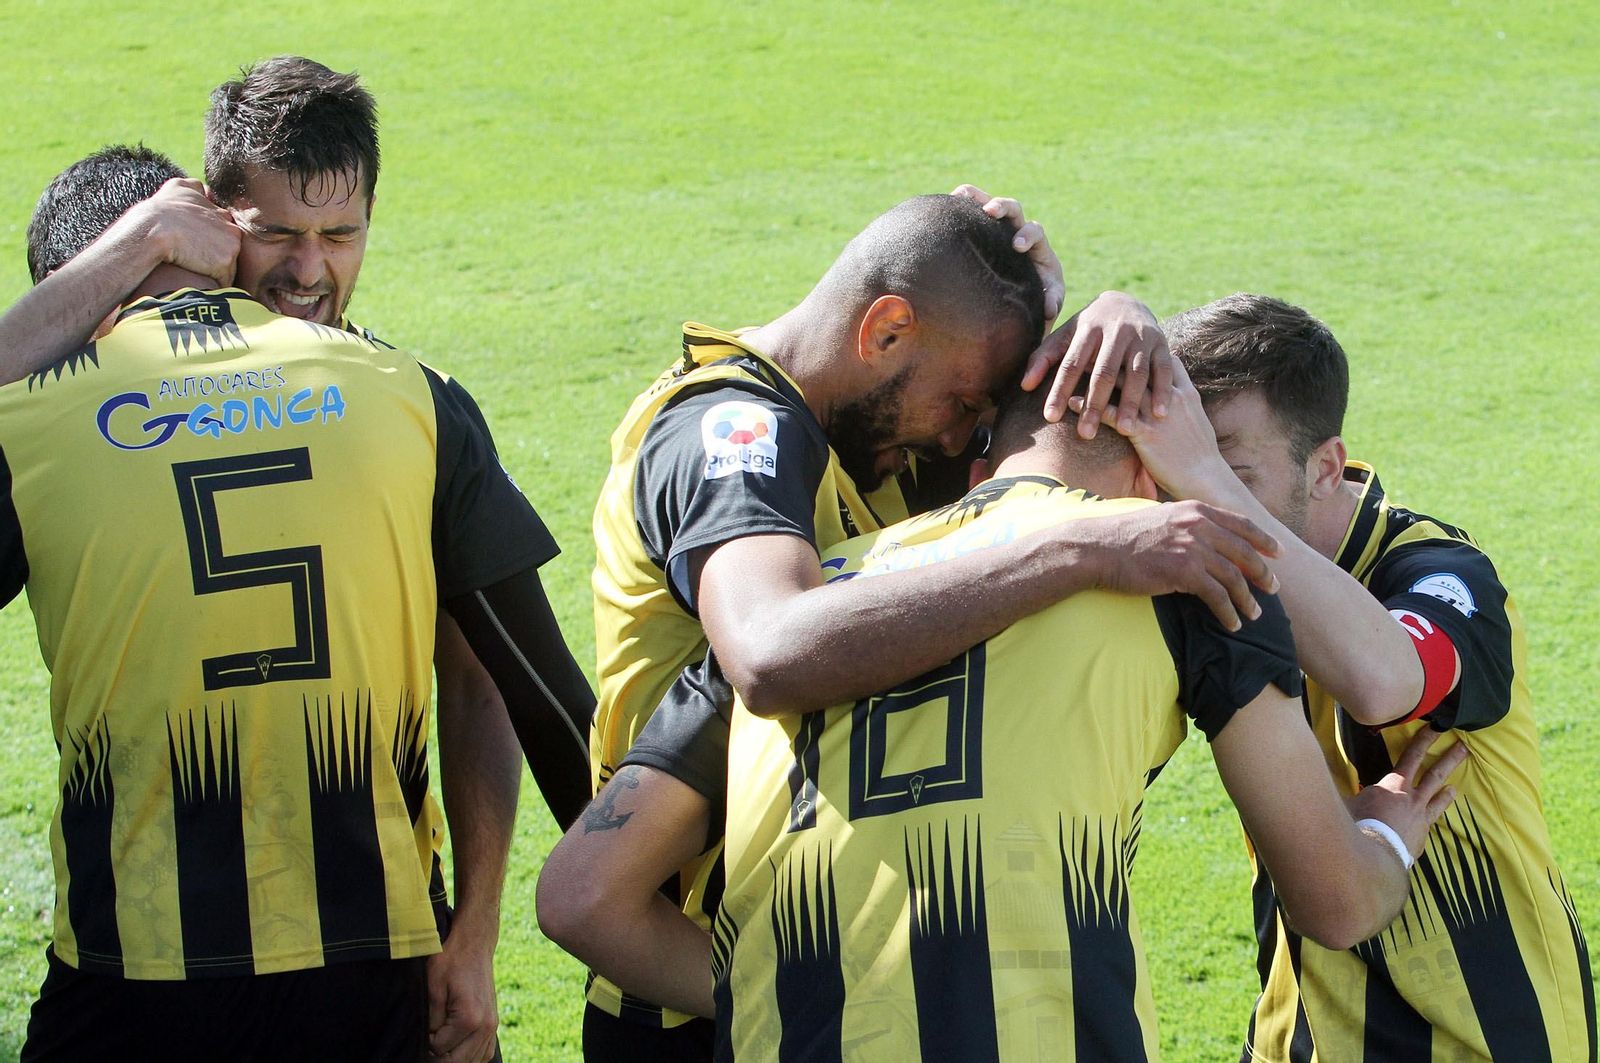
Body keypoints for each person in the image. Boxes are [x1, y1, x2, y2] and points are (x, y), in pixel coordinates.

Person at [539, 378, 1467, 1060]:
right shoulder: (1183, 571)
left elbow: (583, 896)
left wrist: (806, 981)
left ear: (983, 456)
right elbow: (1336, 900)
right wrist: (1384, 836)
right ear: (1156, 472)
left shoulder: (804, 602)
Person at [584, 190, 1287, 1057]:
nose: (967, 439)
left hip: (824, 983)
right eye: (963, 403)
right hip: (695, 989)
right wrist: (1080, 550)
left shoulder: (855, 437)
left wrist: (1108, 316)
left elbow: (1005, 492)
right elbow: (767, 650)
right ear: (884, 332)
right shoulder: (736, 431)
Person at [2, 59, 598, 1060]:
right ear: (211, 222)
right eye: (276, 232)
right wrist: (632, 908)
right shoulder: (412, 395)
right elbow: (532, 685)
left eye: (339, 233)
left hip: (135, 969)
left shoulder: (32, 418)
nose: (308, 268)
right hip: (377, 971)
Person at [1095, 293, 1594, 1062]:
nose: (1189, 506)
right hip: (1300, 1036)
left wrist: (1202, 478)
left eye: (1231, 473)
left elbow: (1383, 678)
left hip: (1487, 1036)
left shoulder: (1442, 572)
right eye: (1170, 474)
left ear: (1324, 468)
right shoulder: (1206, 574)